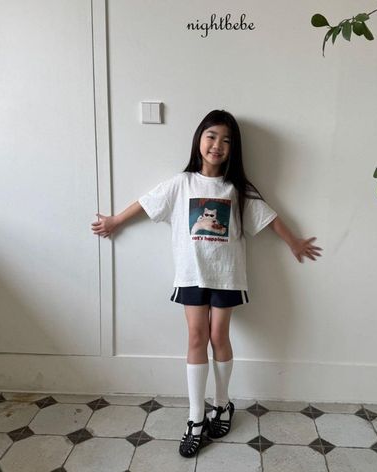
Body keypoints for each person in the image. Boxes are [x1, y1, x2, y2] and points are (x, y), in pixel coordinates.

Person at [91, 109, 322, 458]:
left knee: (218, 337)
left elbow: (270, 218)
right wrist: (115, 221)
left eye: (226, 140)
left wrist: (294, 242)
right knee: (196, 337)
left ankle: (222, 404)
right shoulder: (181, 183)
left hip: (227, 276)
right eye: (212, 136)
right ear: (199, 138)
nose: (217, 145)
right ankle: (196, 419)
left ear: (233, 148)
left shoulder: (237, 189)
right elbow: (146, 203)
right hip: (191, 274)